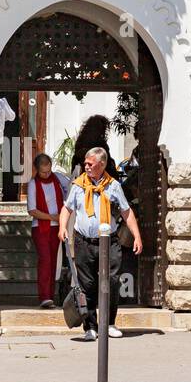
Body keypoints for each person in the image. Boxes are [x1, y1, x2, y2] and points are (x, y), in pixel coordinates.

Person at [59, 146, 142, 341]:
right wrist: (62, 227)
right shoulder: (78, 185)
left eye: (90, 163)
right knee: (87, 284)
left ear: (101, 164)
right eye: (85, 163)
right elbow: (66, 209)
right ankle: (90, 327)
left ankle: (109, 323)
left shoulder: (113, 185)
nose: (86, 167)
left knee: (111, 282)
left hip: (109, 242)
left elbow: (126, 212)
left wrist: (137, 236)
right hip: (83, 242)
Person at [26, 152, 70, 309]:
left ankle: (51, 296)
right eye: (43, 172)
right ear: (37, 170)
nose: (47, 174)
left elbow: (72, 188)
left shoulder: (58, 178)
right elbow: (32, 210)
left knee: (54, 262)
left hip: (57, 227)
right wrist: (53, 217)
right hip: (41, 228)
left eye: (49, 170)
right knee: (45, 260)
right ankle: (44, 296)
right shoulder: (32, 184)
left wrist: (63, 214)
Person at [70, 114, 122, 180]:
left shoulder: (80, 142)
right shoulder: (101, 143)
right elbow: (107, 161)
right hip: (99, 177)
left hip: (82, 178)